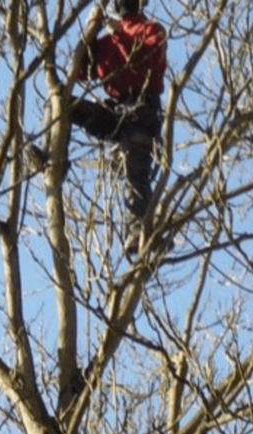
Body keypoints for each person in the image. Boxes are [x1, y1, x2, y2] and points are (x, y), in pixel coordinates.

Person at [74, 0, 167, 249]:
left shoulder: (152, 30)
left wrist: (118, 35)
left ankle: (141, 232)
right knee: (60, 104)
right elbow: (80, 70)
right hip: (115, 112)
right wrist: (91, 30)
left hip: (142, 112)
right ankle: (52, 159)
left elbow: (147, 61)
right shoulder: (107, 42)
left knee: (136, 170)